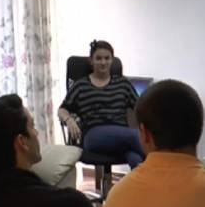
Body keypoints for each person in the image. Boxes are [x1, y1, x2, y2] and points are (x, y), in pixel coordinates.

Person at [58, 39, 145, 168]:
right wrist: (69, 120)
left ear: (112, 60)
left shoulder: (123, 83)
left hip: (121, 135)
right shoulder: (81, 85)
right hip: (93, 136)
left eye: (107, 58)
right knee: (136, 137)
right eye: (98, 58)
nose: (103, 62)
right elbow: (62, 109)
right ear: (91, 61)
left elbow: (141, 107)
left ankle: (147, 180)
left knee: (135, 158)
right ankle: (165, 167)